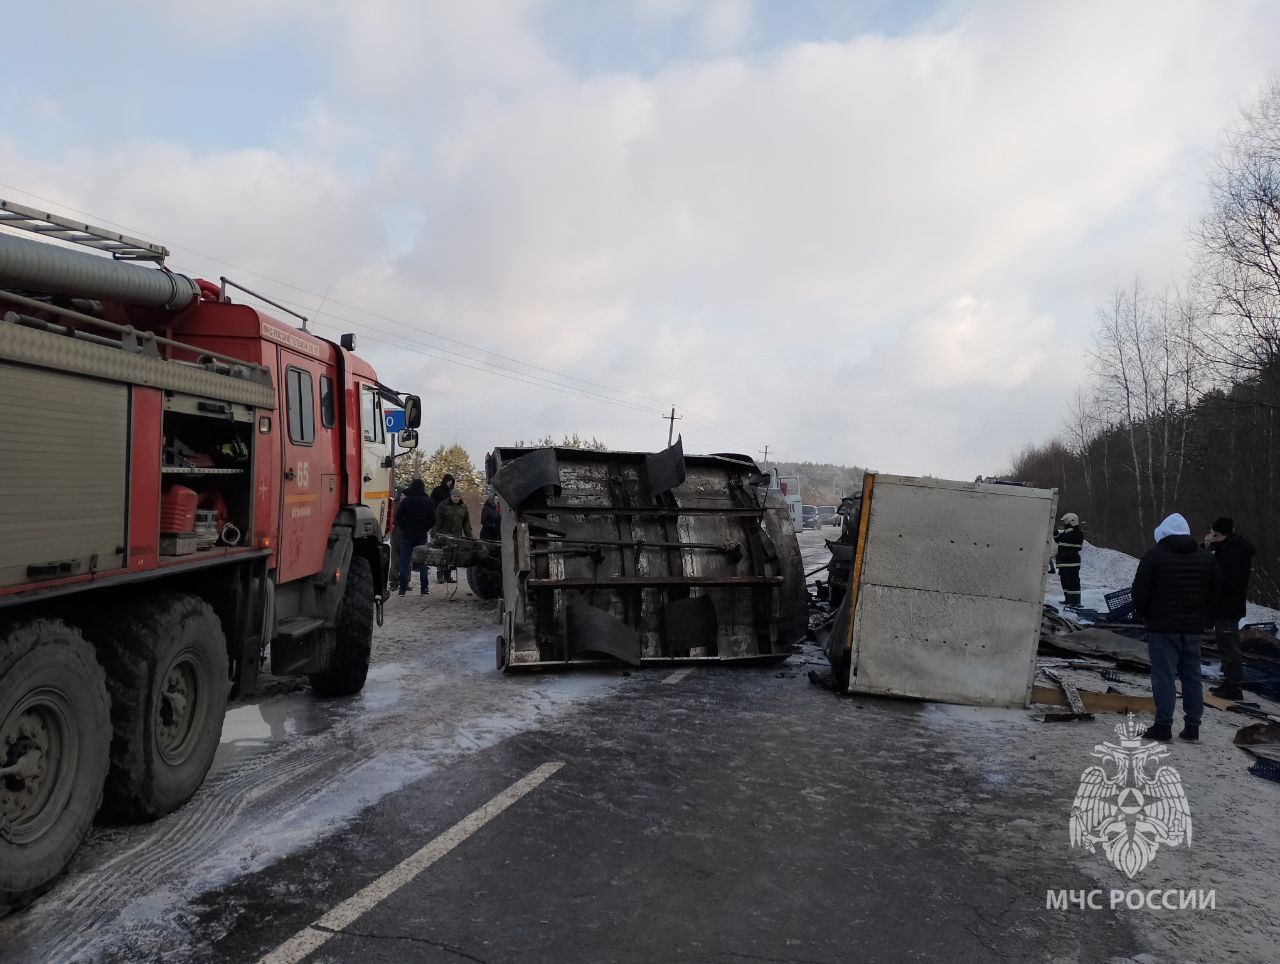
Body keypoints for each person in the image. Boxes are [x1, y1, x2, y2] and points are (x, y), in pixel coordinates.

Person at [1131, 513, 1218, 742]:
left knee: (1164, 676)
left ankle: (1163, 726)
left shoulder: (1153, 557)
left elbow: (1139, 591)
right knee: (1192, 677)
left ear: (1163, 534)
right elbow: (1215, 594)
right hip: (1193, 628)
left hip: (1162, 626)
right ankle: (1192, 727)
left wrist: (1142, 615)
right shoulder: (1207, 559)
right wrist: (1206, 620)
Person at [1205, 516, 1256, 702]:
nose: (1210, 536)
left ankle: (1234, 686)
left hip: (1228, 605)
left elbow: (1226, 579)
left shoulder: (1232, 552)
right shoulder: (1230, 548)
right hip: (1228, 605)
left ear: (1219, 533)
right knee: (1225, 644)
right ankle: (1229, 682)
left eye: (1213, 533)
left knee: (1229, 646)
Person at [393, 479, 435, 596]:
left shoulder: (406, 502)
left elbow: (398, 517)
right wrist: (425, 528)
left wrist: (404, 527)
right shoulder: (427, 502)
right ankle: (424, 588)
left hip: (407, 535)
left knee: (404, 562)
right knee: (423, 562)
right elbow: (433, 520)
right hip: (421, 536)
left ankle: (402, 589)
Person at [432, 488, 473, 583]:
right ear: (450, 496)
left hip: (456, 536)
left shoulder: (463, 508)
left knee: (451, 557)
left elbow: (466, 525)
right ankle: (440, 576)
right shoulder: (443, 505)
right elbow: (437, 520)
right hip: (443, 535)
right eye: (454, 496)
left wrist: (470, 538)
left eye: (458, 496)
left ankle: (448, 576)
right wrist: (435, 533)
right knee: (442, 555)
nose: (456, 498)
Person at [1054, 513, 1084, 607]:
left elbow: (1070, 545)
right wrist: (1054, 531)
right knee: (1065, 583)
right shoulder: (1067, 532)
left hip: (1071, 563)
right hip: (1064, 563)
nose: (1064, 523)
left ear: (1071, 521)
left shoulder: (1076, 533)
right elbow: (1059, 540)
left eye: (1066, 521)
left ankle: (1075, 602)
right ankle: (1068, 600)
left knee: (1073, 584)